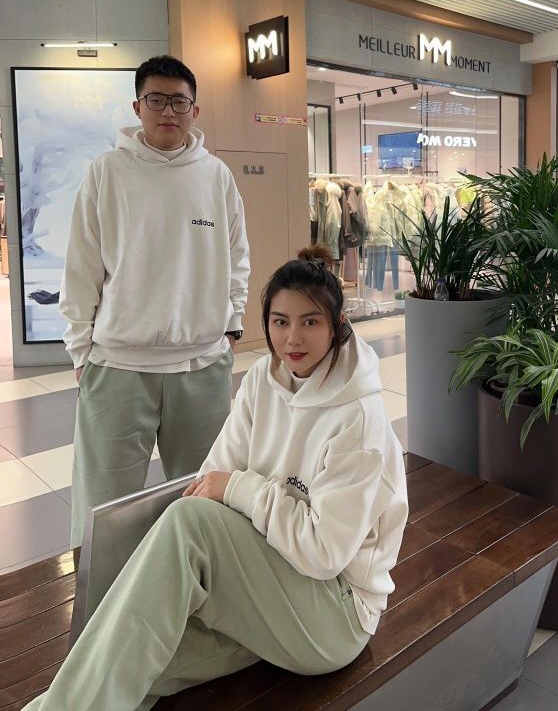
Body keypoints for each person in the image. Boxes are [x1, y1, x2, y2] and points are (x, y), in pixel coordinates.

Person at [25, 247, 408, 711]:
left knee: (188, 527)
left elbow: (322, 552)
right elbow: (214, 476)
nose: (292, 338)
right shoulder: (264, 381)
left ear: (338, 324)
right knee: (122, 658)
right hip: (272, 577)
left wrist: (240, 488)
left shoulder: (359, 420)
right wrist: (232, 492)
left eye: (310, 321)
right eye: (280, 321)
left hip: (336, 614)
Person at [60, 54, 250, 549]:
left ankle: (195, 587)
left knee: (203, 498)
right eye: (156, 100)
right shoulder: (106, 173)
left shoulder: (216, 176)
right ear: (137, 107)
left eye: (179, 102)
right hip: (118, 366)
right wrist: (81, 350)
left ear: (195, 110)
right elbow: (81, 267)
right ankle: (105, 594)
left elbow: (237, 257)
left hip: (202, 364)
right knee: (105, 504)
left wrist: (232, 324)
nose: (168, 111)